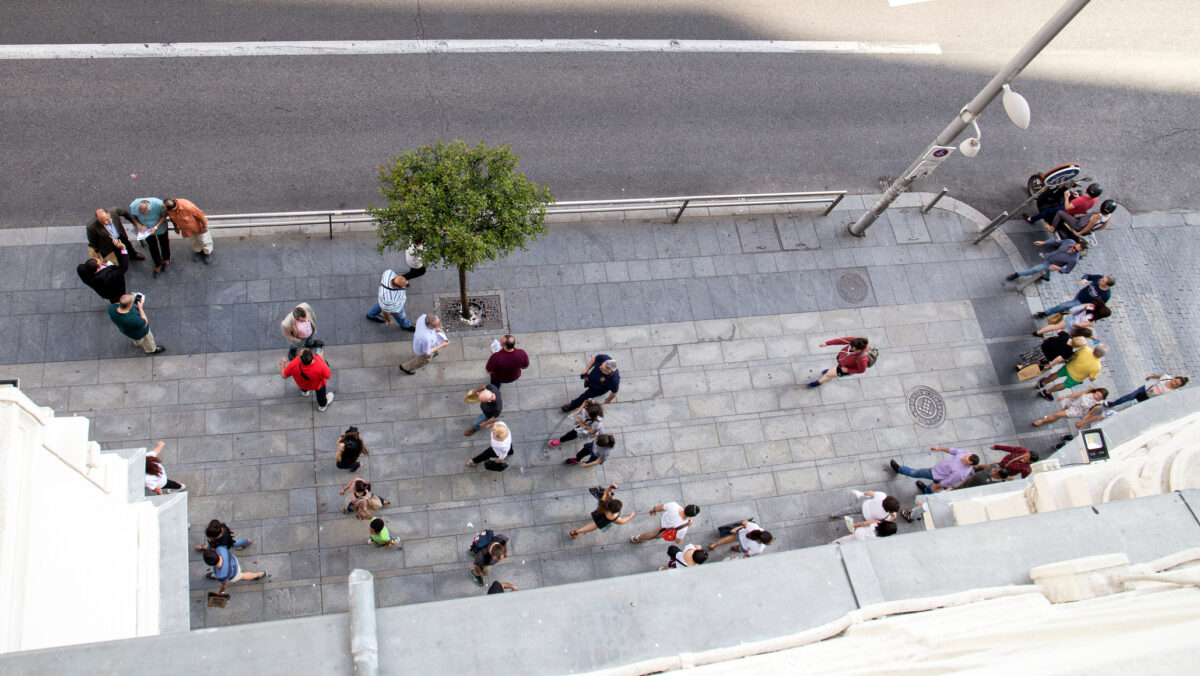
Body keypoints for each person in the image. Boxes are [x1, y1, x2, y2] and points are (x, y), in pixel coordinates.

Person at [889, 446, 979, 495]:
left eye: (964, 460)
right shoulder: (968, 454)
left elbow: (948, 481)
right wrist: (939, 448)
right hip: (939, 471)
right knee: (932, 486)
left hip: (935, 474)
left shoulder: (961, 473)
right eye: (965, 457)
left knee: (915, 473)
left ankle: (900, 469)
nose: (962, 458)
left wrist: (936, 486)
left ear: (970, 464)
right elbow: (954, 451)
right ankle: (927, 490)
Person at [1036, 343, 1108, 399]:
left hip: (1069, 367)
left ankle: (1042, 383)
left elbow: (1074, 354)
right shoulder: (1097, 366)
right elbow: (1091, 379)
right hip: (1076, 378)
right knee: (1064, 385)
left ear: (1095, 348)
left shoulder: (1085, 349)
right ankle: (1047, 392)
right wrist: (1099, 368)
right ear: (1102, 355)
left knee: (1056, 374)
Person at [568, 484, 636, 539]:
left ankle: (575, 532)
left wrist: (611, 487)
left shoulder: (605, 502)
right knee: (593, 526)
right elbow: (623, 521)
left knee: (593, 524)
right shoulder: (614, 517)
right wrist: (631, 516)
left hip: (599, 511)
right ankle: (576, 532)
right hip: (602, 521)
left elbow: (607, 492)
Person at [86, 206, 143, 271]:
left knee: (128, 246)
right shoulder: (91, 227)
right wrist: (97, 248)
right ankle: (122, 265)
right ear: (97, 219)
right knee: (118, 255)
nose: (106, 223)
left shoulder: (114, 211)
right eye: (102, 221)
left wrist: (135, 223)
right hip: (108, 244)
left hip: (120, 236)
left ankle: (134, 255)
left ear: (109, 214)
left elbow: (125, 212)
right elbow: (92, 240)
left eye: (107, 219)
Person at [1004, 238, 1085, 282]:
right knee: (1045, 271)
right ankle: (1046, 277)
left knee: (1035, 269)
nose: (1073, 250)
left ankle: (1017, 274)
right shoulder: (1069, 242)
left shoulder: (1074, 260)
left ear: (1079, 251)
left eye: (1076, 250)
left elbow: (1067, 271)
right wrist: (1044, 242)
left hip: (1051, 264)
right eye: (1074, 247)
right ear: (1075, 244)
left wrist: (1058, 268)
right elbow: (1057, 242)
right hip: (1048, 256)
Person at [1037, 275, 1115, 319]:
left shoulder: (1106, 295)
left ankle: (1046, 313)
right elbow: (1088, 276)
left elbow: (1099, 306)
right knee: (1067, 307)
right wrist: (1085, 279)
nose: (1100, 280)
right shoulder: (1099, 278)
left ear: (1107, 285)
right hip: (1079, 295)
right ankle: (1064, 312)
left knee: (1064, 305)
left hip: (1082, 303)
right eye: (1102, 278)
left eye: (1103, 281)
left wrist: (1087, 307)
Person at [1024, 183, 1102, 226]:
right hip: (1079, 208)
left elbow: (1067, 207)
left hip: (1069, 210)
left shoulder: (1080, 200)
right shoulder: (1095, 199)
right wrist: (1077, 197)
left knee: (1048, 210)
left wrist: (1066, 197)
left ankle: (1032, 219)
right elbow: (1084, 201)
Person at [163, 197, 212, 264]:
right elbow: (172, 217)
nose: (163, 209)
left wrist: (205, 227)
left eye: (164, 208)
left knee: (204, 240)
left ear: (173, 209)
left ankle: (207, 253)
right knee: (193, 241)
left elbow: (202, 216)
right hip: (186, 230)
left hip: (199, 228)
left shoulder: (188, 207)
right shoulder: (168, 209)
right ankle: (198, 251)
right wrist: (175, 227)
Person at [130, 197, 171, 277]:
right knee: (152, 247)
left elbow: (164, 216)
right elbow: (133, 218)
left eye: (145, 214)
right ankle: (158, 263)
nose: (143, 216)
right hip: (146, 231)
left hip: (160, 228)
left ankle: (166, 259)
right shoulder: (133, 206)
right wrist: (139, 225)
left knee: (164, 243)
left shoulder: (159, 204)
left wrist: (155, 227)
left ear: (149, 209)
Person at [1016, 330, 1091, 373]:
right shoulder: (1069, 351)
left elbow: (1058, 330)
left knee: (1033, 351)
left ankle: (1025, 356)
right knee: (1035, 360)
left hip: (1044, 345)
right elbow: (1058, 359)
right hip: (1047, 355)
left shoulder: (1065, 335)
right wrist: (1050, 366)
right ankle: (1021, 366)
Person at [202, 546, 267, 593]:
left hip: (234, 575)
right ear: (217, 555)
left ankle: (259, 574)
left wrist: (220, 592)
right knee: (241, 575)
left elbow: (224, 584)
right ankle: (260, 574)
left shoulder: (222, 575)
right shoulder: (221, 549)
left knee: (242, 576)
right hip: (234, 561)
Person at [1034, 388, 1109, 428]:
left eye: (1099, 397)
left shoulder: (1097, 405)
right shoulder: (1089, 392)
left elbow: (1089, 414)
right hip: (1073, 402)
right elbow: (1077, 394)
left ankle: (1042, 421)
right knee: (1060, 413)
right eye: (1097, 394)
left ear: (1102, 398)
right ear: (1096, 391)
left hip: (1076, 411)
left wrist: (1082, 423)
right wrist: (1065, 396)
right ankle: (1050, 419)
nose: (1096, 397)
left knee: (1057, 414)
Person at [1106, 374, 1189, 409]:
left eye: (1176, 384)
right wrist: (1150, 377)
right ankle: (1112, 404)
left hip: (1149, 398)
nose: (1174, 383)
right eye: (1175, 380)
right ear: (1174, 378)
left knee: (1134, 407)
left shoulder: (1173, 392)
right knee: (1129, 397)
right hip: (1145, 389)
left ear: (1178, 386)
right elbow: (1158, 376)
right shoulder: (1167, 377)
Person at [631, 502, 699, 543]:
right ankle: (637, 538)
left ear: (687, 506)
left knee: (653, 533)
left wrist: (654, 509)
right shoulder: (683, 528)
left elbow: (661, 507)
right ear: (692, 516)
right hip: (664, 530)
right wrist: (688, 525)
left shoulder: (674, 505)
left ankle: (638, 538)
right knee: (653, 534)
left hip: (662, 519)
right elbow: (677, 541)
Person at [1047, 199, 1116, 240]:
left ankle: (1052, 228)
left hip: (1078, 224)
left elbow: (1088, 226)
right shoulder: (1108, 216)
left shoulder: (1097, 216)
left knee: (1060, 212)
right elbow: (1103, 226)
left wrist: (1079, 233)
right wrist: (1093, 230)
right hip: (1084, 220)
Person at [1033, 301, 1109, 337]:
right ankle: (1041, 335)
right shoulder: (1092, 321)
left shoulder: (1091, 307)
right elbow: (1080, 325)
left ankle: (1039, 332)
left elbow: (1080, 307)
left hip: (1070, 317)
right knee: (1060, 333)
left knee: (1054, 326)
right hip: (1072, 326)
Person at [708, 520, 773, 557]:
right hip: (744, 547)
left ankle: (714, 545)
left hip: (741, 535)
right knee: (738, 548)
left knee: (728, 539)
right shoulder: (759, 549)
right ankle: (734, 548)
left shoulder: (755, 527)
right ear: (762, 541)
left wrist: (741, 526)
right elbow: (747, 554)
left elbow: (744, 522)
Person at [829, 489, 900, 522]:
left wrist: (864, 493)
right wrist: (893, 516)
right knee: (860, 521)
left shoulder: (882, 496)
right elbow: (887, 521)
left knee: (850, 510)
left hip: (864, 505)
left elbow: (871, 493)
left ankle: (835, 514)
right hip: (867, 517)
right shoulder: (885, 515)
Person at [832, 520, 898, 543]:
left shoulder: (877, 523)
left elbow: (864, 523)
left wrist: (856, 525)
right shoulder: (882, 538)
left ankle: (832, 543)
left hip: (859, 534)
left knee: (844, 539)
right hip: (862, 542)